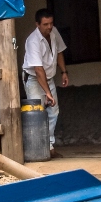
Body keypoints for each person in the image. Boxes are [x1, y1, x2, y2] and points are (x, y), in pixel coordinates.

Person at [22, 8, 68, 152]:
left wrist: (64, 72)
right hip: (34, 79)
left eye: (51, 23)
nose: (49, 27)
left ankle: (49, 146)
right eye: (45, 24)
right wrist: (47, 93)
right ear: (37, 24)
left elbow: (59, 52)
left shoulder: (54, 33)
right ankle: (38, 148)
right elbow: (38, 69)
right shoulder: (32, 41)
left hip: (48, 77)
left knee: (53, 111)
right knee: (38, 113)